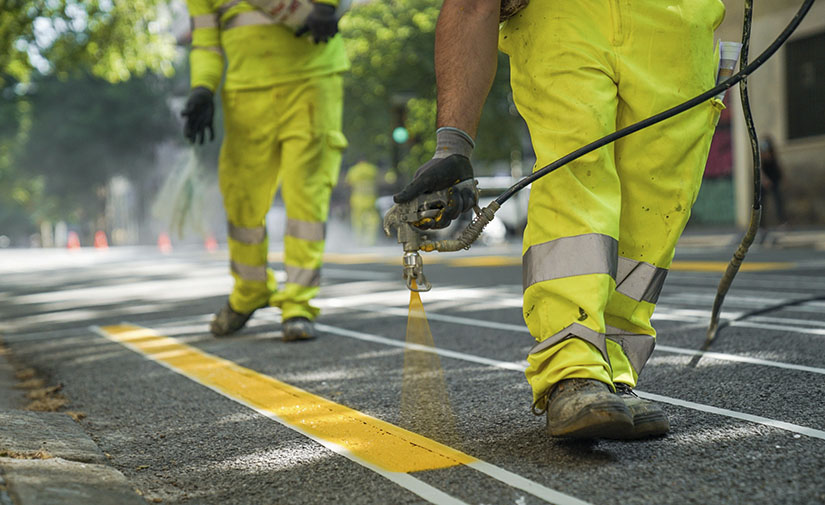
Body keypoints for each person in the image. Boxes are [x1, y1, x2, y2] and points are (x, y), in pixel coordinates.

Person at [393, 0, 726, 439]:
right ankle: (572, 366)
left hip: (679, 20)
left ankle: (613, 366)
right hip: (563, 16)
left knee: (658, 202)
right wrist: (452, 145)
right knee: (577, 172)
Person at [181, 0, 349, 340]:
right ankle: (250, 291)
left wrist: (327, 6)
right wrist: (202, 88)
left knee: (307, 195)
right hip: (245, 94)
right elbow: (206, 44)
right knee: (241, 199)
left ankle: (298, 305)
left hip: (312, 81)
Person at [345, 160, 379, 245]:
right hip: (370, 198)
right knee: (372, 220)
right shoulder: (372, 169)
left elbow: (348, 183)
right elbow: (377, 180)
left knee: (357, 220)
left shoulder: (353, 170)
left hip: (357, 199)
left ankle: (359, 240)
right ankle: (371, 240)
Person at [760, 136, 788, 227]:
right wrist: (764, 180)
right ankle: (761, 223)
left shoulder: (773, 156)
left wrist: (783, 179)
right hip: (766, 180)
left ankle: (782, 221)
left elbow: (779, 167)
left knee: (778, 200)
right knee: (761, 202)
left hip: (775, 178)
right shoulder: (761, 157)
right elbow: (760, 169)